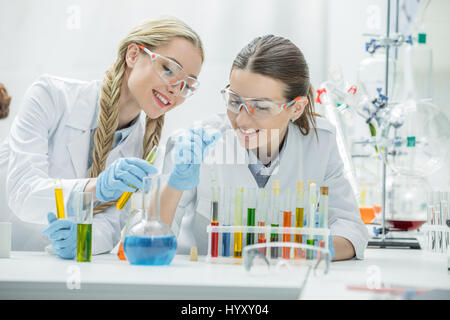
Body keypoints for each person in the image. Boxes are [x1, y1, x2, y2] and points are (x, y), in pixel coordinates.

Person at [0, 16, 204, 258]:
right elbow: (23, 193)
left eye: (187, 85)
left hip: (65, 269)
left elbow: (112, 224)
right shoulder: (50, 97)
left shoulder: (149, 150)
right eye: (168, 69)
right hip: (10, 253)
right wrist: (98, 188)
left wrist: (83, 239)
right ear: (133, 55)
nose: (175, 90)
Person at [161, 35, 368, 261]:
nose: (242, 120)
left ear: (296, 108)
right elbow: (152, 236)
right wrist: (173, 185)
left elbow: (350, 228)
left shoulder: (320, 142)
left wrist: (304, 250)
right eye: (234, 101)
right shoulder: (196, 144)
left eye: (260, 107)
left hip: (288, 281)